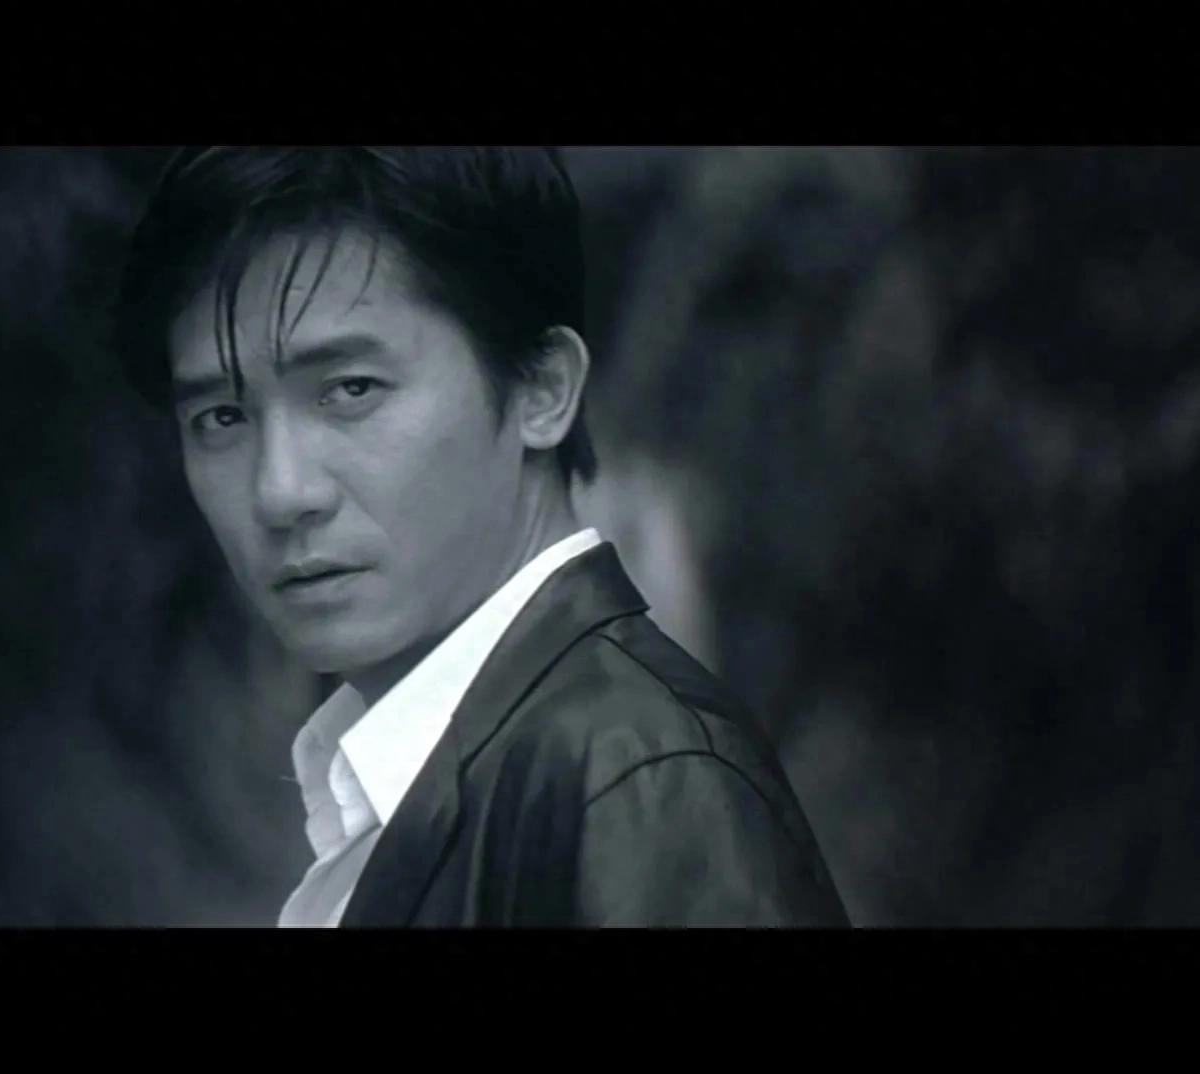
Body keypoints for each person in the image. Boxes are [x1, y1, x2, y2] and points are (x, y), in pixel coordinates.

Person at [114, 147, 850, 927]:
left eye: (350, 389)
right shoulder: (475, 773)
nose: (280, 490)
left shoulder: (637, 780)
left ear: (543, 388)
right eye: (221, 417)